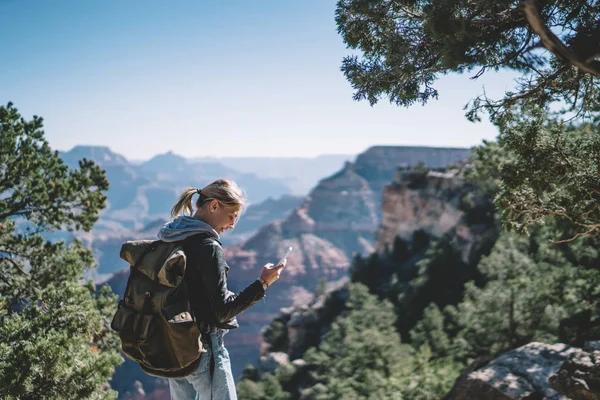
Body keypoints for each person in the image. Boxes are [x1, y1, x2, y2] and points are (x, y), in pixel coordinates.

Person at [156, 179, 286, 400]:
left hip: (172, 343)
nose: (232, 225)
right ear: (214, 206)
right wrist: (262, 283)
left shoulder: (171, 236)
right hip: (203, 350)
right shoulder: (209, 247)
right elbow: (220, 311)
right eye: (232, 216)